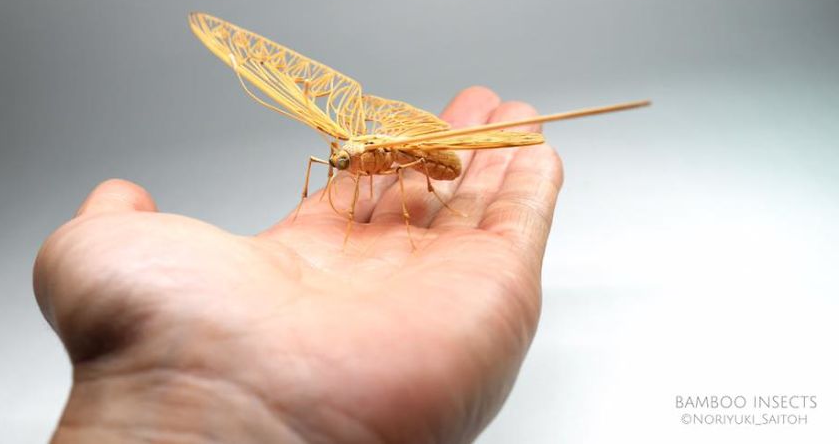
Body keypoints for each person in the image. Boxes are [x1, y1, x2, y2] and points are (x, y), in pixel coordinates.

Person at [34, 86, 563, 443]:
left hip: (430, 157)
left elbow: (416, 167)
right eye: (339, 160)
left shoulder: (388, 154)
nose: (335, 162)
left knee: (412, 174)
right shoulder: (343, 154)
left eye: (341, 160)